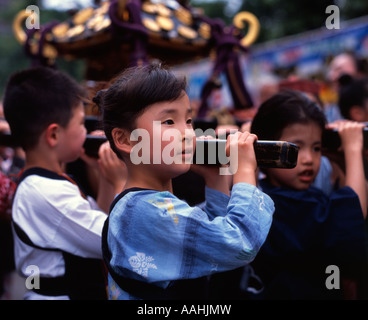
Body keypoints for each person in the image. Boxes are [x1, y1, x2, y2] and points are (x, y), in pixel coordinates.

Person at [95, 62, 275, 300]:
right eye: (169, 122)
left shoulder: (150, 206)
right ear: (126, 140)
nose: (188, 134)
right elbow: (239, 244)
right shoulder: (142, 211)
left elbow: (210, 239)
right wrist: (244, 170)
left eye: (188, 121)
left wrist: (216, 178)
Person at [2, 66, 126, 300]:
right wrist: (122, 184)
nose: (86, 130)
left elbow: (98, 217)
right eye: (81, 124)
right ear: (54, 135)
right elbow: (114, 238)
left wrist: (104, 175)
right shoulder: (47, 192)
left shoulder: (46, 183)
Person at [249, 89, 368, 299]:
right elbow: (356, 209)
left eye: (316, 148)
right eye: (296, 147)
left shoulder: (286, 194)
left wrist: (341, 159)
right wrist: (353, 149)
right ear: (265, 150)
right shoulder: (281, 203)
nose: (308, 159)